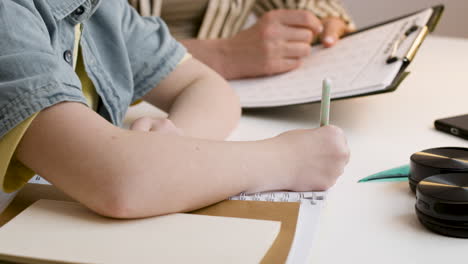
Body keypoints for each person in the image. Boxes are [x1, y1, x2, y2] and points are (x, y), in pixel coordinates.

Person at [0, 0, 349, 219]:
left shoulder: (103, 9)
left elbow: (207, 86)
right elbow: (121, 183)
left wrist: (173, 153)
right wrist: (285, 159)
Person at [131, 0, 355, 79]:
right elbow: (97, 47)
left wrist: (324, 20)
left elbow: (304, 4)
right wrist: (223, 55)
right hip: (120, 110)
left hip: (219, 95)